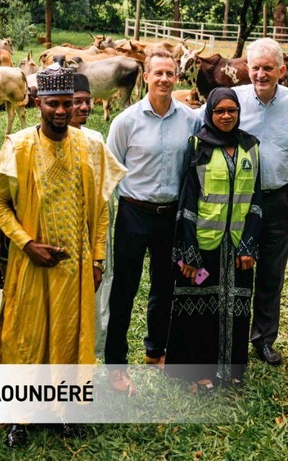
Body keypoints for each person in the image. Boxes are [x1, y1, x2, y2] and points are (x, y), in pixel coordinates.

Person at [0, 65, 125, 446]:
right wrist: (27, 243)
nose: (61, 111)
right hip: (31, 264)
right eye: (53, 104)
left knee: (69, 338)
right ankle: (20, 417)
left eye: (68, 103)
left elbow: (102, 207)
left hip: (75, 268)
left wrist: (97, 259)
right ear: (38, 104)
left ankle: (66, 410)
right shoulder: (18, 146)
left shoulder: (91, 146)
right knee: (26, 338)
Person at [104, 48, 201, 393]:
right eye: (157, 73)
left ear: (177, 77)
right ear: (145, 77)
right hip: (133, 213)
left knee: (165, 287)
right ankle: (116, 364)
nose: (164, 79)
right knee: (124, 290)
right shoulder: (126, 121)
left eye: (169, 73)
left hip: (170, 216)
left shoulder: (190, 119)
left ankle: (156, 352)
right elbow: (110, 171)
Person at [167, 87, 262, 389]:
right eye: (219, 111)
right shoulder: (199, 145)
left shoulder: (251, 146)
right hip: (203, 243)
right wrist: (188, 251)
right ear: (209, 113)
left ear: (239, 113)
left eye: (231, 110)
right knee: (200, 307)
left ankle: (232, 372)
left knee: (236, 307)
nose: (226, 116)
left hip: (237, 245)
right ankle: (199, 373)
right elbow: (187, 199)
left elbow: (256, 199)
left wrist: (249, 245)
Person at [233, 37, 288, 366]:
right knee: (239, 269)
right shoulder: (234, 99)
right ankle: (236, 338)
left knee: (272, 272)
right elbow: (198, 123)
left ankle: (264, 339)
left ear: (282, 71)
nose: (261, 74)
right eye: (255, 67)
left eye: (268, 68)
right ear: (247, 68)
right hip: (240, 200)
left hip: (281, 197)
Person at [69, 72, 111, 357]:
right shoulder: (38, 139)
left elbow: (104, 191)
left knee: (97, 293)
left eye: (87, 101)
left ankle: (90, 354)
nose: (84, 107)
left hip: (93, 231)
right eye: (76, 102)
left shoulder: (95, 139)